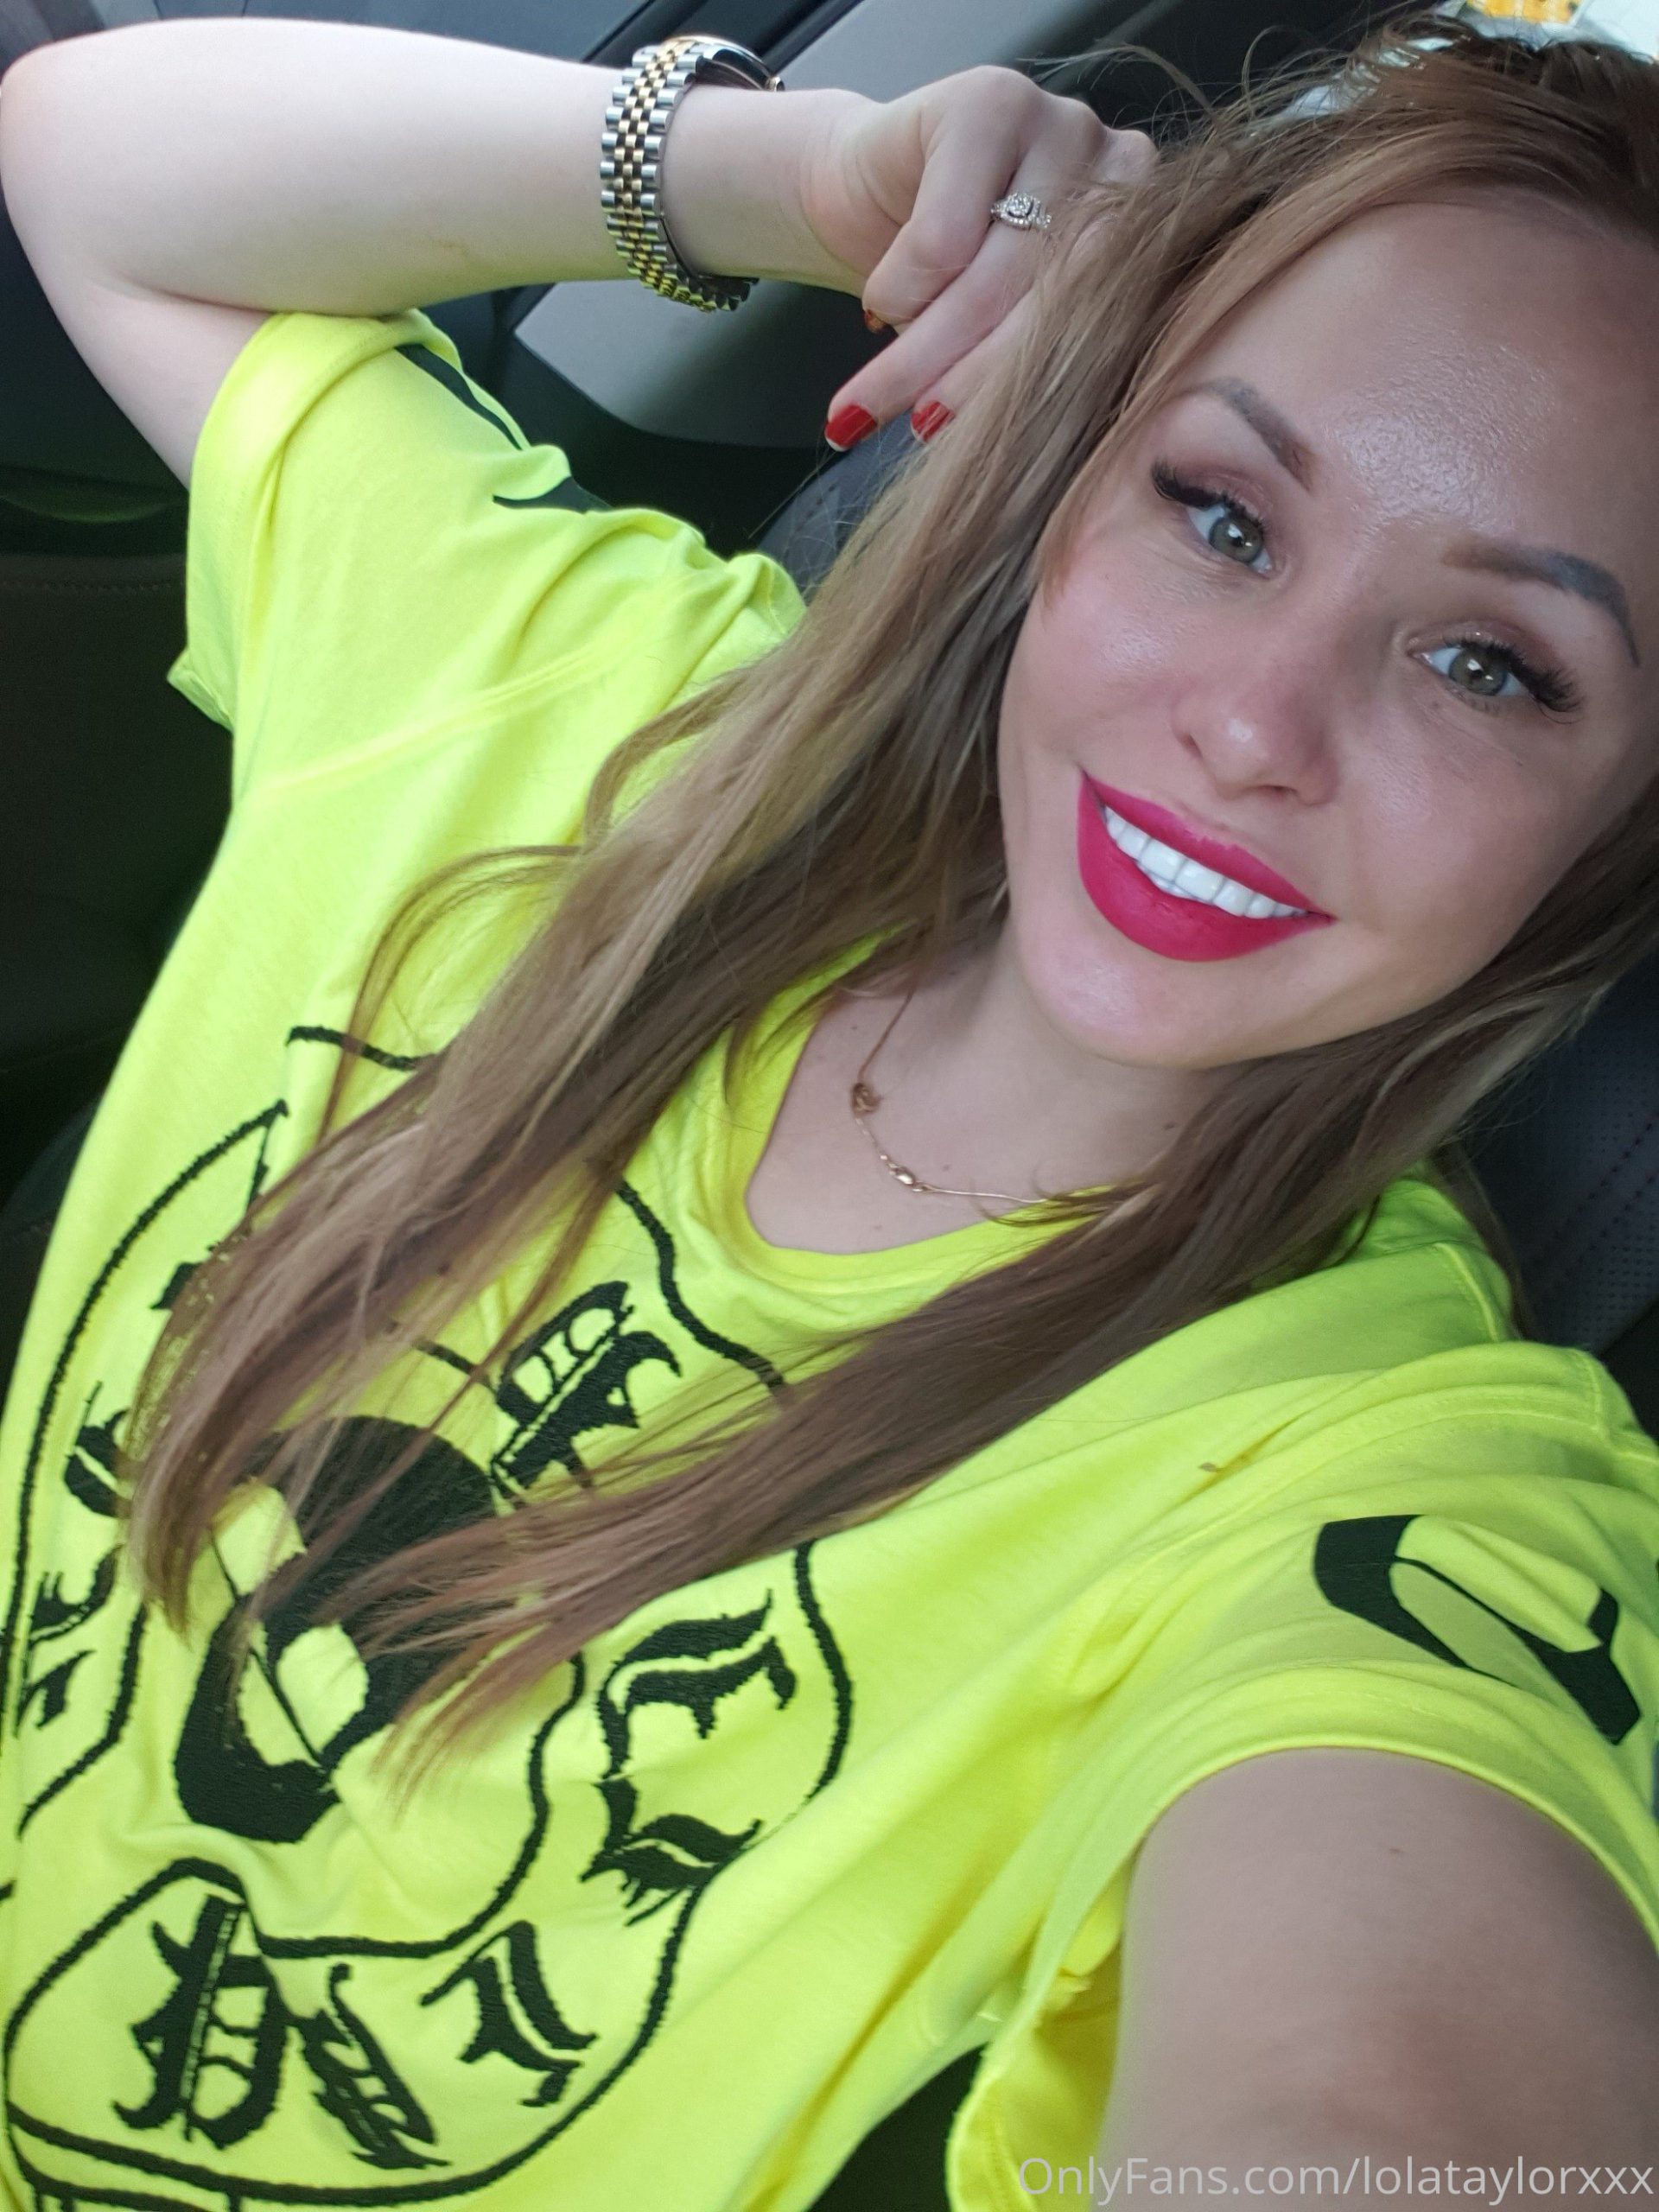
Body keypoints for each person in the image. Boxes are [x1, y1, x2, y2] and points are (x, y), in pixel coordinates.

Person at [0, 4, 1655, 2200]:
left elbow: (1390, 2093)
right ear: (1067, 480)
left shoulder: (1396, 1478)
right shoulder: (579, 723)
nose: (1256, 726)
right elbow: (89, 162)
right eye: (1221, 512)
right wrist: (802, 180)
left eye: (1493, 665)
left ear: (1614, 831)